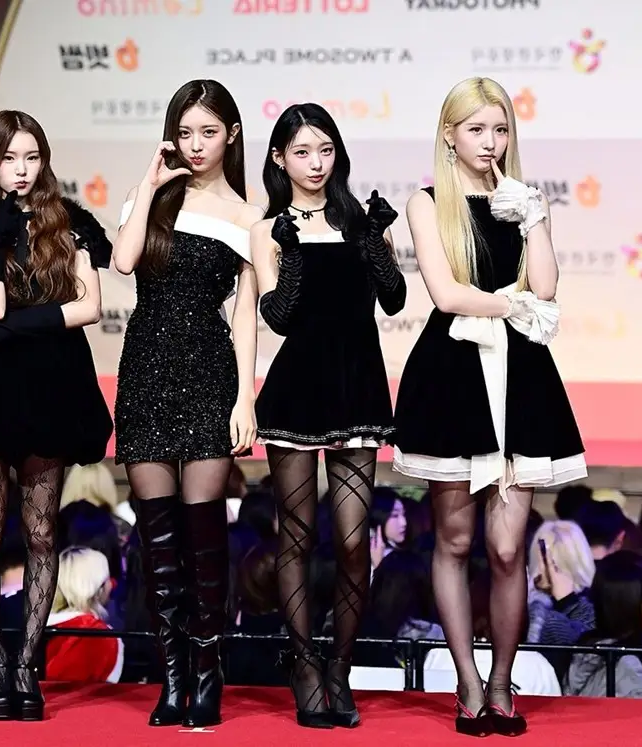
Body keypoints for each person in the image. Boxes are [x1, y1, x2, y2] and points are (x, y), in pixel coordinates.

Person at [391, 77, 586, 736]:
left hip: (521, 377)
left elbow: (547, 287)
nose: (490, 142)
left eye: (500, 129)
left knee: (506, 549)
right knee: (454, 539)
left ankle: (502, 683)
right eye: (476, 129)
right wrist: (516, 304)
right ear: (450, 134)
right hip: (453, 375)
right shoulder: (426, 202)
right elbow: (447, 295)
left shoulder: (524, 199)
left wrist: (534, 218)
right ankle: (468, 685)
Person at [0, 110, 113, 722]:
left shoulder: (69, 220)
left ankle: (29, 665)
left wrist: (15, 325)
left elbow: (89, 307)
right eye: (10, 158)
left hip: (51, 385)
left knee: (41, 533)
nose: (22, 170)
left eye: (32, 157)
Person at [251, 103, 405, 729]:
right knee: (295, 534)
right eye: (302, 152)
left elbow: (394, 299)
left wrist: (375, 244)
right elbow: (279, 317)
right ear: (279, 158)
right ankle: (304, 664)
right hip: (297, 390)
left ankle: (339, 666)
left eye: (326, 150)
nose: (316, 163)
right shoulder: (269, 229)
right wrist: (289, 253)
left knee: (352, 540)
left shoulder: (361, 219)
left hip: (356, 388)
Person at [112, 79, 260, 729]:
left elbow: (247, 316)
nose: (196, 145)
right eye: (186, 132)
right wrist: (149, 185)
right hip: (145, 371)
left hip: (209, 374)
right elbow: (123, 262)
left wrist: (244, 397)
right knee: (158, 541)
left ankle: (207, 673)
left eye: (209, 132)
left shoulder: (248, 217)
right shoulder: (152, 197)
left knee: (204, 541)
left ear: (231, 134)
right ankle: (171, 676)